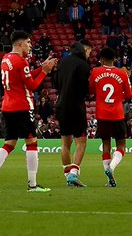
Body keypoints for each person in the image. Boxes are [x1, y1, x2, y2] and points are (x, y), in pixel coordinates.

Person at [0, 30, 58, 193]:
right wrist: (44, 72)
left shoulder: (6, 58)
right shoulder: (21, 61)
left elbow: (24, 76)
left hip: (8, 107)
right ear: (19, 44)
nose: (30, 46)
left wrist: (41, 67)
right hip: (23, 106)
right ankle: (32, 185)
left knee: (9, 143)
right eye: (28, 42)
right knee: (32, 143)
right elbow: (31, 85)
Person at [89, 46, 131, 187]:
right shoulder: (122, 73)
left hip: (102, 114)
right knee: (121, 145)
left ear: (101, 59)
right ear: (115, 59)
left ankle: (109, 179)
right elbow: (129, 95)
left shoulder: (95, 72)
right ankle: (111, 168)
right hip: (117, 114)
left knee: (106, 145)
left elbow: (90, 91)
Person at [54, 39, 93, 187]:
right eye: (89, 51)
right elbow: (84, 89)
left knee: (65, 142)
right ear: (84, 49)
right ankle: (73, 174)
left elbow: (56, 83)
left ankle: (67, 175)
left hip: (61, 105)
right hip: (76, 106)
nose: (89, 54)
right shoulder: (83, 65)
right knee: (81, 141)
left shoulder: (63, 62)